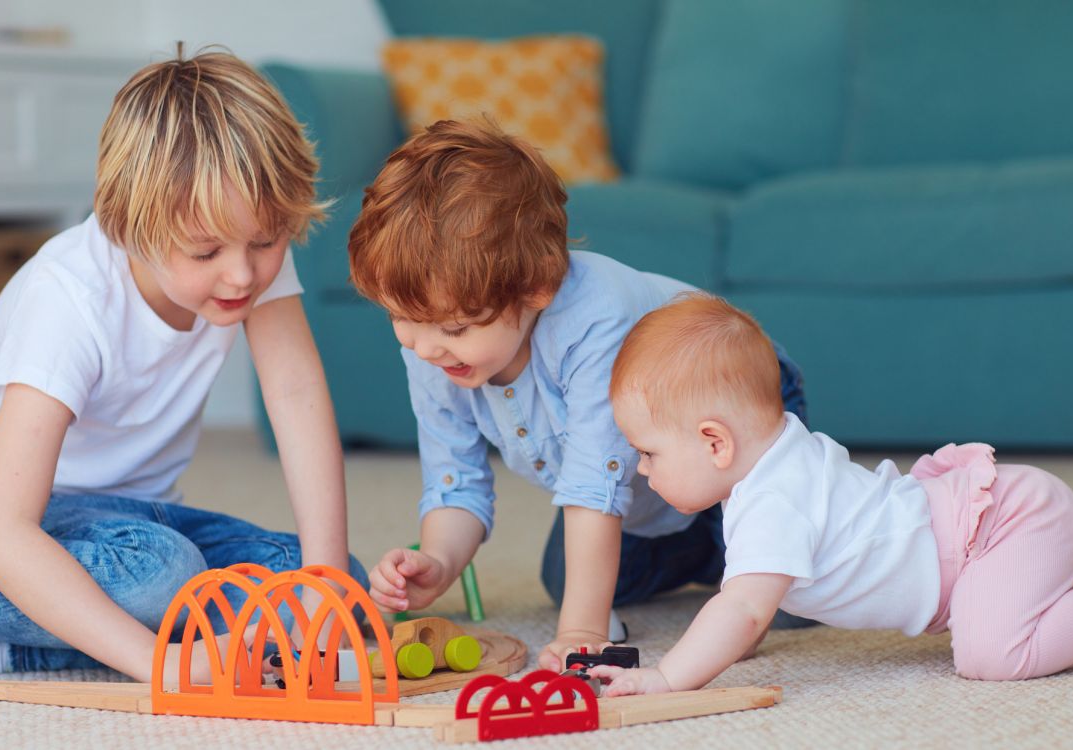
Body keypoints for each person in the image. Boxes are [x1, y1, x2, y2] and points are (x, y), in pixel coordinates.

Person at [0, 51, 367, 683]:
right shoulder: (66, 300)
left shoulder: (242, 256)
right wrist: (163, 665)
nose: (243, 274)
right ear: (128, 228)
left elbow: (297, 394)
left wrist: (322, 588)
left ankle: (89, 634)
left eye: (266, 242)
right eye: (205, 251)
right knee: (162, 576)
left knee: (335, 580)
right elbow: (1, 536)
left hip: (136, 526)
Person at [347, 119, 811, 671]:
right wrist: (439, 561)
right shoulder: (431, 347)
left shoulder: (596, 322)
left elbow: (594, 485)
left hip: (730, 412)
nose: (424, 347)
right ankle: (711, 546)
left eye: (455, 328)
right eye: (401, 318)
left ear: (537, 288)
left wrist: (581, 633)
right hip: (650, 477)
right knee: (565, 576)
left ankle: (751, 538)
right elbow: (456, 480)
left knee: (794, 596)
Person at [591, 292, 1073, 694]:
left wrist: (671, 676)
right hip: (1007, 521)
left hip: (999, 524)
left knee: (991, 649)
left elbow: (744, 608)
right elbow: (753, 600)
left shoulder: (773, 500)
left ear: (714, 443)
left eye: (648, 452)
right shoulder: (777, 453)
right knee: (1037, 571)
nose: (643, 471)